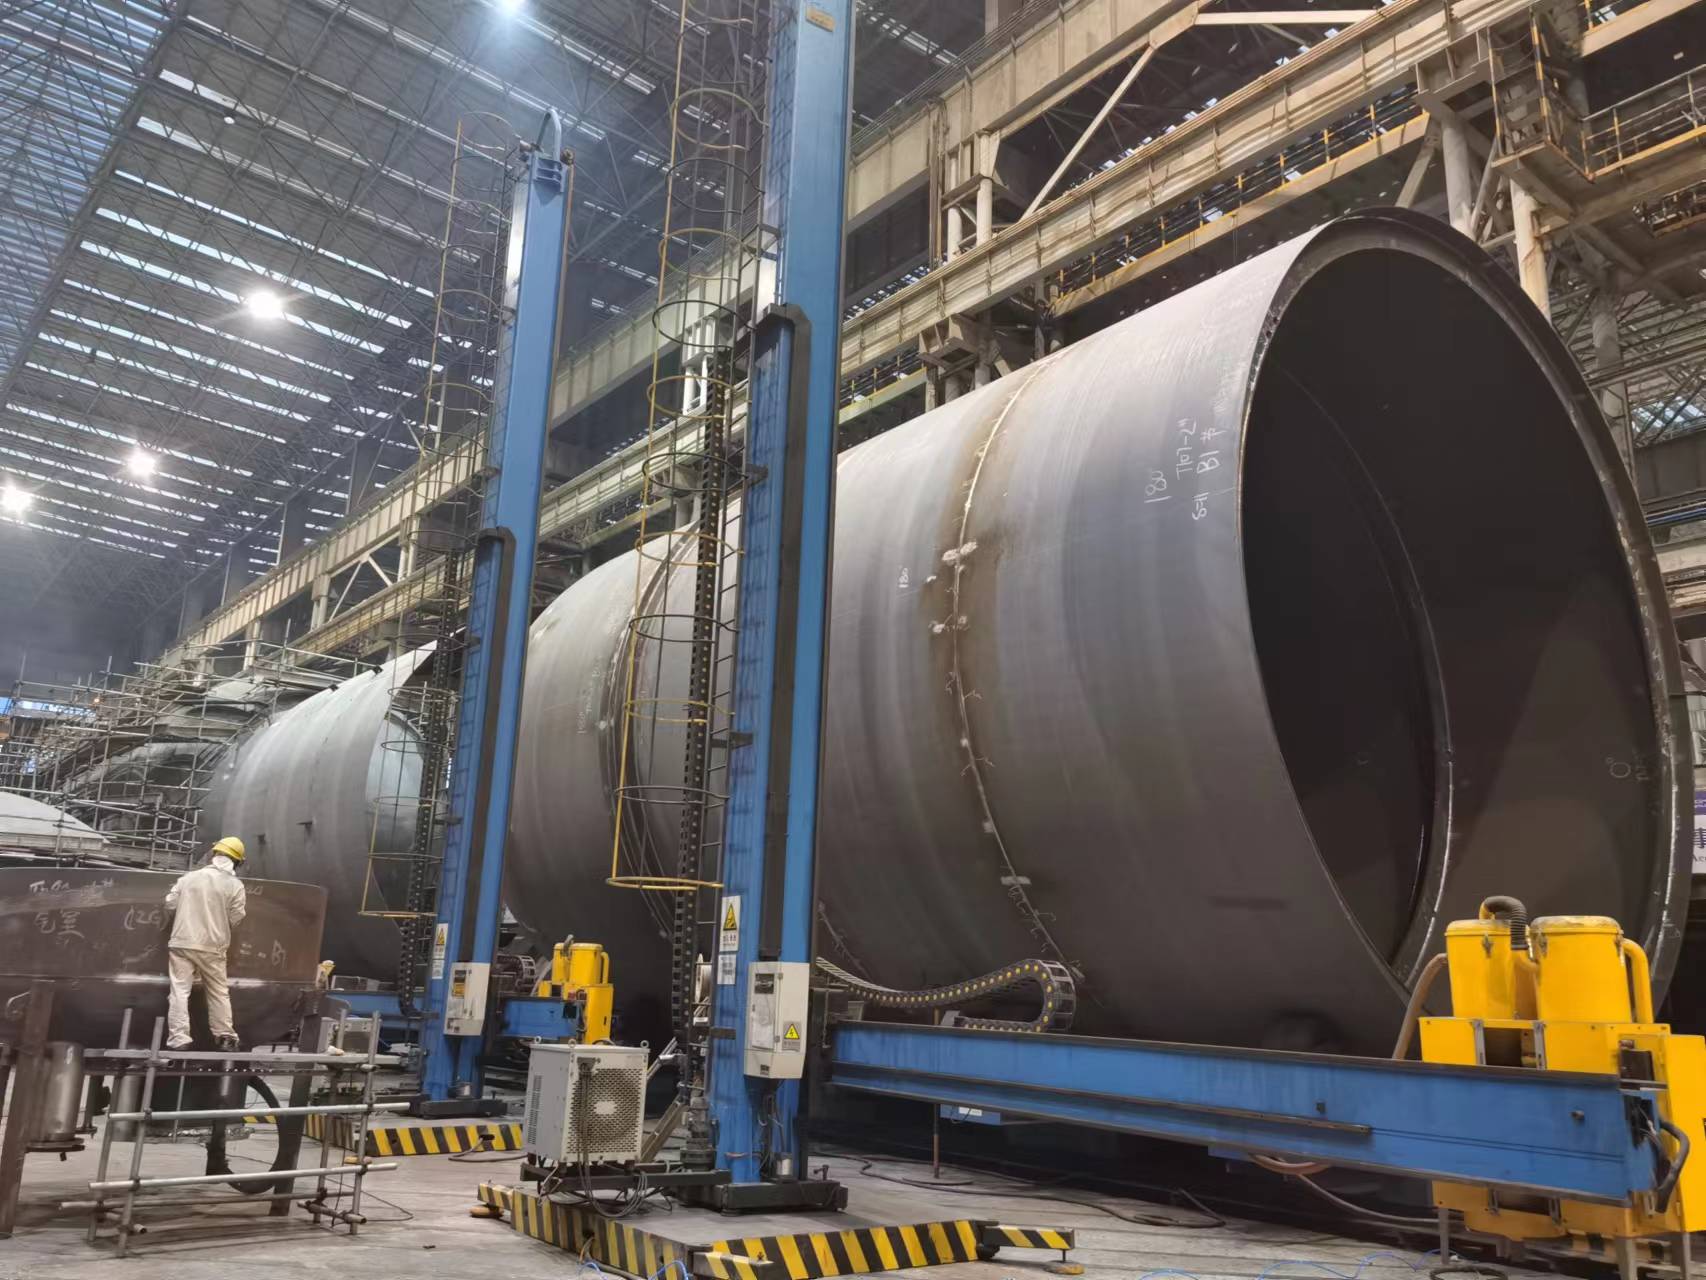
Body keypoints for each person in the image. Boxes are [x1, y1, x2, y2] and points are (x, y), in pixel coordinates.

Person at [164, 836, 248, 1051]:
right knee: (218, 991)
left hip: (182, 942)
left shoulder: (188, 878)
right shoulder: (235, 885)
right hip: (213, 946)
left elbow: (170, 903)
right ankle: (225, 1036)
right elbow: (237, 917)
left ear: (214, 854)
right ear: (237, 861)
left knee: (179, 990)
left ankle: (179, 1039)